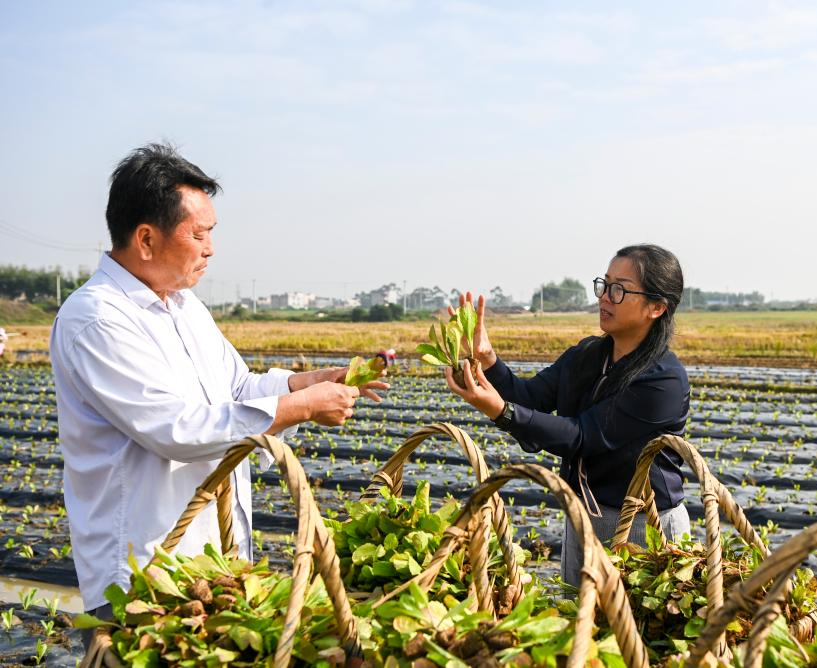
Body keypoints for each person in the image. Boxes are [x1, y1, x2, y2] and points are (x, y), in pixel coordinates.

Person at [50, 144, 389, 644]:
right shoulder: (98, 319)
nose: (210, 249)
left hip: (209, 566)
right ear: (146, 239)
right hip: (142, 574)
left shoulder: (185, 308)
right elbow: (175, 429)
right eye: (199, 234)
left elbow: (236, 388)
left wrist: (309, 383)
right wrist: (299, 407)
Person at [444, 244, 690, 585]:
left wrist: (501, 411)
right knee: (579, 624)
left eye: (619, 289)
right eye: (604, 285)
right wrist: (488, 359)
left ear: (656, 307)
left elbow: (582, 436)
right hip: (583, 515)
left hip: (644, 527)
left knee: (634, 632)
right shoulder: (587, 356)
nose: (604, 297)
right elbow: (530, 398)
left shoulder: (663, 379)